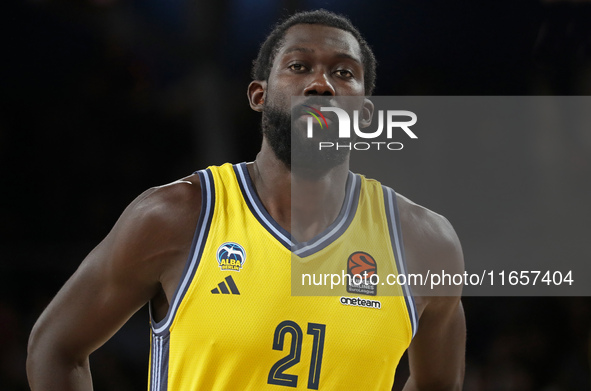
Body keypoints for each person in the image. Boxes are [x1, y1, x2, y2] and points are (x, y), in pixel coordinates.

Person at [26, 9, 465, 391]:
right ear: (259, 96)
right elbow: (55, 348)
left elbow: (439, 382)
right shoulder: (177, 216)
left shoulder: (425, 244)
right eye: (298, 66)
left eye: (343, 72)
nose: (321, 84)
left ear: (365, 113)